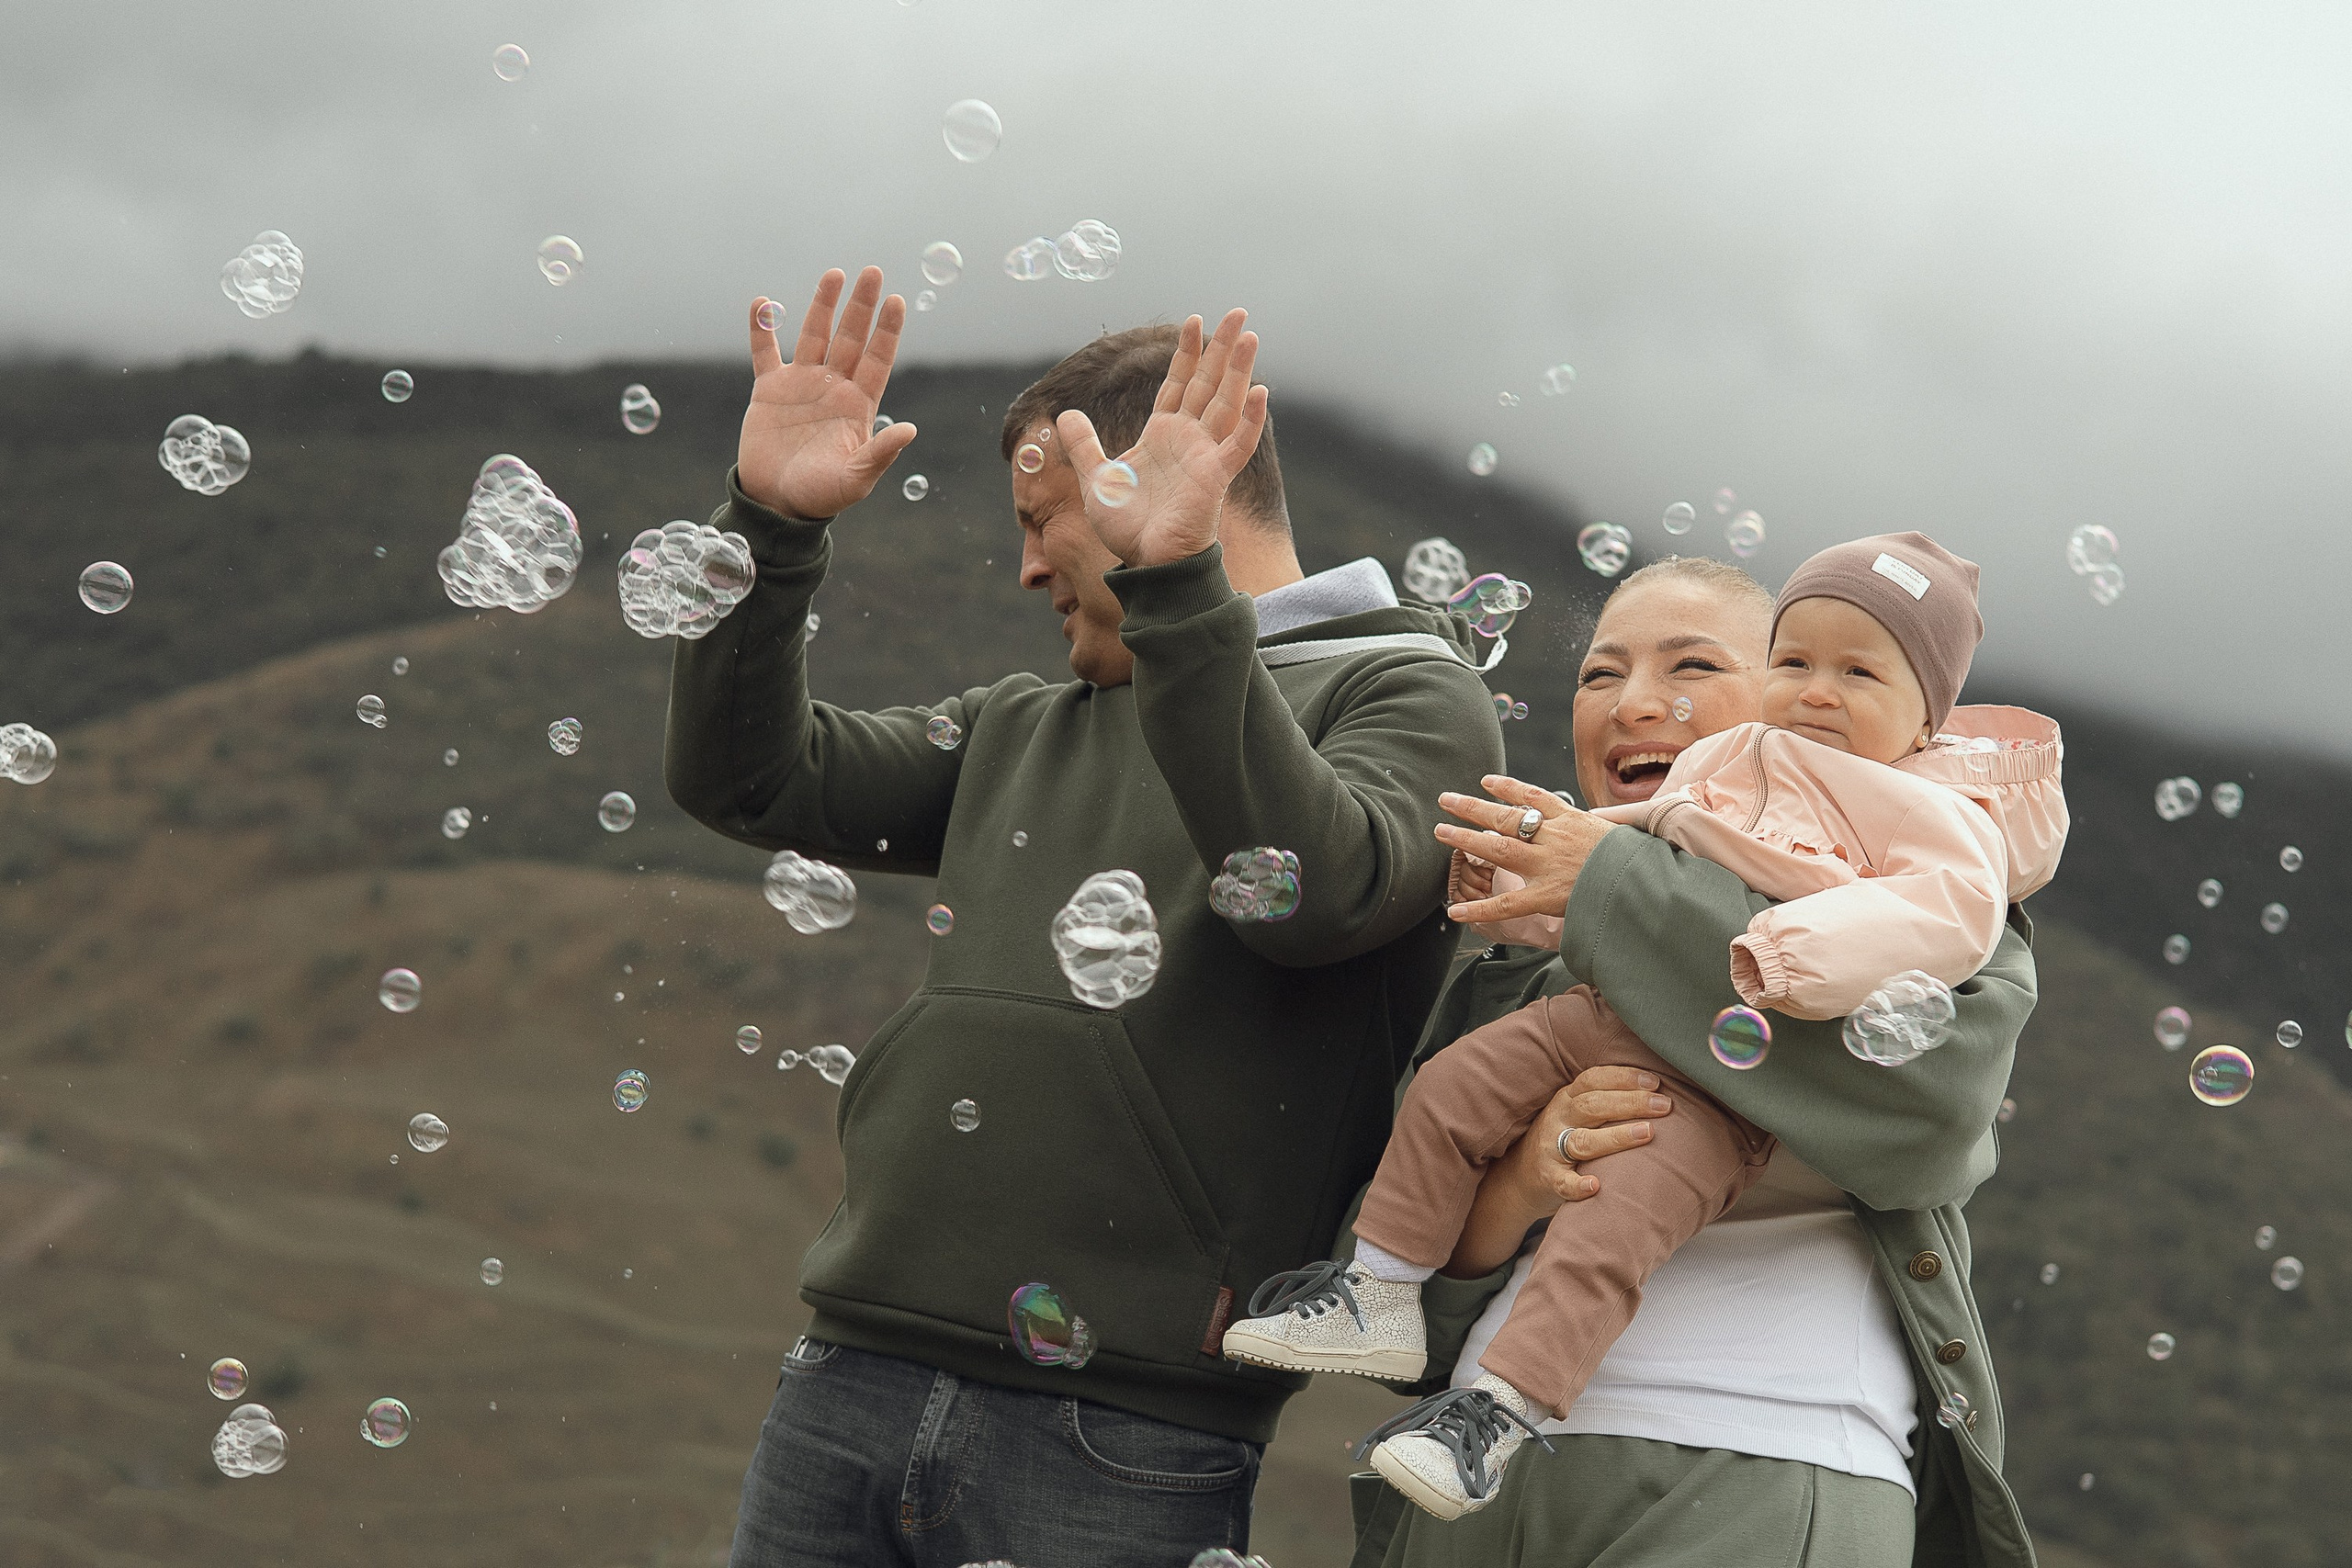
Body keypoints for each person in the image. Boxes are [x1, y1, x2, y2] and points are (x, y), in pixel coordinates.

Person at [662, 267, 1506, 1567]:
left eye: (1039, 519)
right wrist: (770, 530)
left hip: (1125, 1424)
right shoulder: (1026, 720)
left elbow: (1308, 891)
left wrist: (1178, 589)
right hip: (847, 1376)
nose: (1020, 569)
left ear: (1162, 486)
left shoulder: (1407, 690)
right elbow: (748, 776)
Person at [1224, 534, 2067, 1522]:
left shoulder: (1923, 900)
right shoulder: (1527, 959)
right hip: (1472, 1484)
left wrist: (1609, 887)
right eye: (1599, 674)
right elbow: (1413, 1251)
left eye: (1694, 665)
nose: (1630, 702)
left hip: (1765, 1453)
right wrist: (1521, 1183)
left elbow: (1927, 1118)